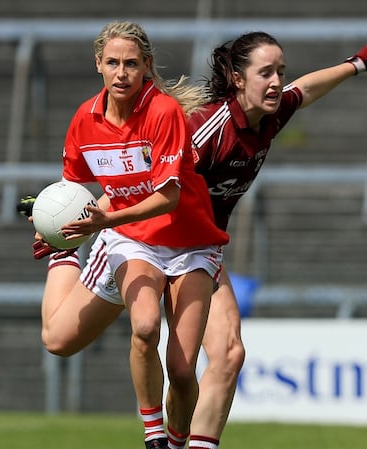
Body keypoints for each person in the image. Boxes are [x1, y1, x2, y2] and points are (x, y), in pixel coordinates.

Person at [28, 31, 367, 449]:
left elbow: (306, 88)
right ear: (239, 79)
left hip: (197, 246)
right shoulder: (204, 129)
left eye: (280, 71)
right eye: (266, 73)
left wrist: (358, 64)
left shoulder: (270, 112)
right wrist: (77, 220)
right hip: (140, 236)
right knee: (59, 340)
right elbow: (137, 180)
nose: (277, 81)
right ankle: (62, 257)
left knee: (228, 354)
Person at [35, 21, 230, 449]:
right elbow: (72, 191)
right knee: (138, 327)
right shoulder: (85, 120)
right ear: (98, 66)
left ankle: (177, 441)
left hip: (192, 245)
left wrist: (100, 222)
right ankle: (154, 437)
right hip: (132, 238)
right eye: (112, 63)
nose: (121, 72)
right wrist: (59, 230)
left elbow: (168, 199)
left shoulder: (163, 112)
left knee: (182, 370)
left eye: (130, 63)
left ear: (146, 67)